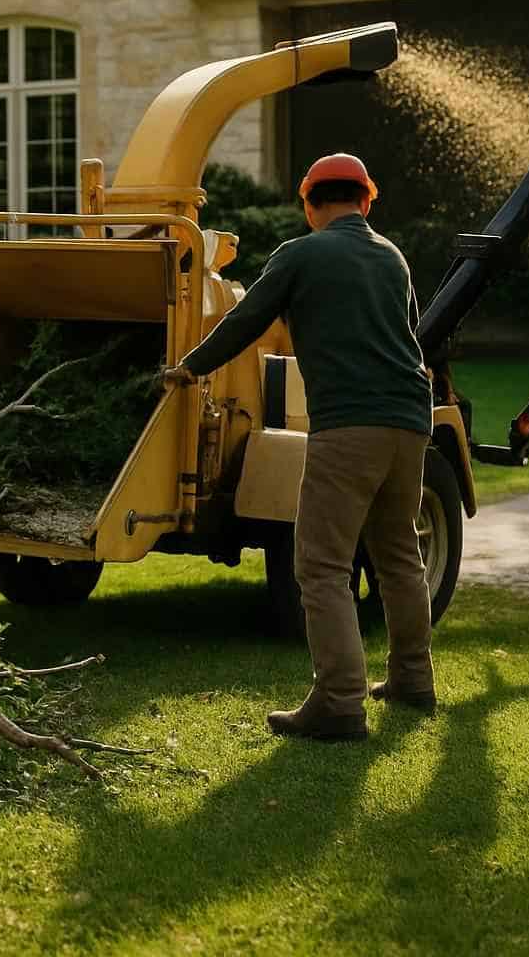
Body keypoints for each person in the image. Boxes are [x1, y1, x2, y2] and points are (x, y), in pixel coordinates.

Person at [163, 153, 436, 741]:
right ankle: (413, 679)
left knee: (322, 564)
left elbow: (245, 321)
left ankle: (339, 702)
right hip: (411, 423)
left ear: (310, 205)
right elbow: (411, 336)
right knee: (398, 556)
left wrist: (189, 367)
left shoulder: (300, 254)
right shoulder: (393, 257)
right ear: (366, 201)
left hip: (350, 425)